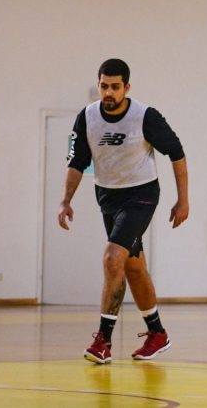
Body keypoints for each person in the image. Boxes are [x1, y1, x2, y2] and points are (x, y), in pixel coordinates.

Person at [59, 58, 189, 364]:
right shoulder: (87, 117)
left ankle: (103, 341)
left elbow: (177, 152)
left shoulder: (145, 116)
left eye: (115, 87)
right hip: (108, 197)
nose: (109, 92)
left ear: (126, 88)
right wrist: (65, 201)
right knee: (132, 266)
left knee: (112, 257)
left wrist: (183, 200)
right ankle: (157, 333)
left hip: (142, 195)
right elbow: (77, 163)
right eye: (104, 86)